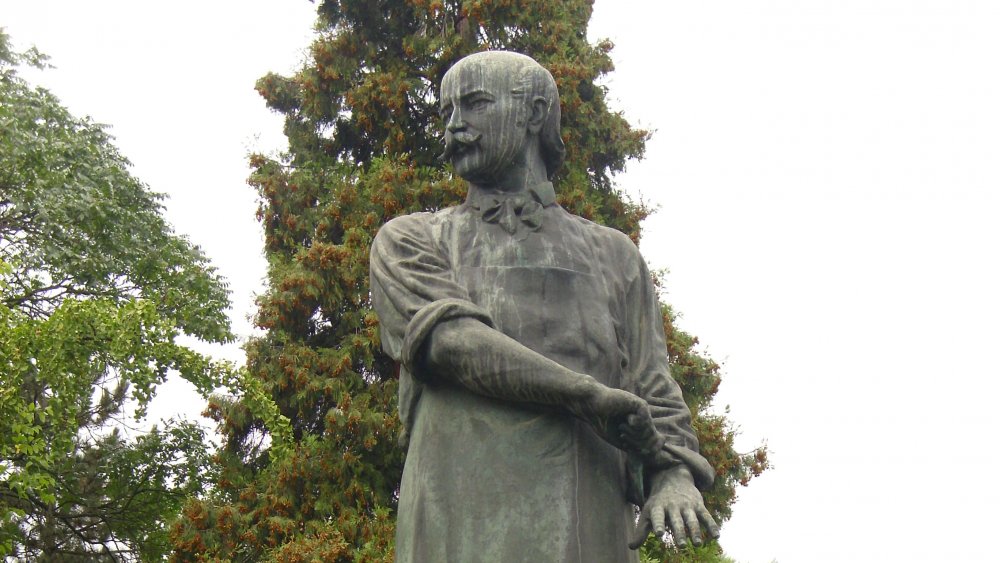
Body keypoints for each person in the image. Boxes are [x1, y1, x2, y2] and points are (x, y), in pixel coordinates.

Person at [370, 51, 718, 562]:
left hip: (583, 512)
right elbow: (454, 345)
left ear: (534, 113)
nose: (454, 125)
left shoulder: (612, 256)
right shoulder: (413, 239)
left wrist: (673, 475)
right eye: (447, 112)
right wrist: (588, 395)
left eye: (475, 105)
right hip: (457, 511)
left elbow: (653, 388)